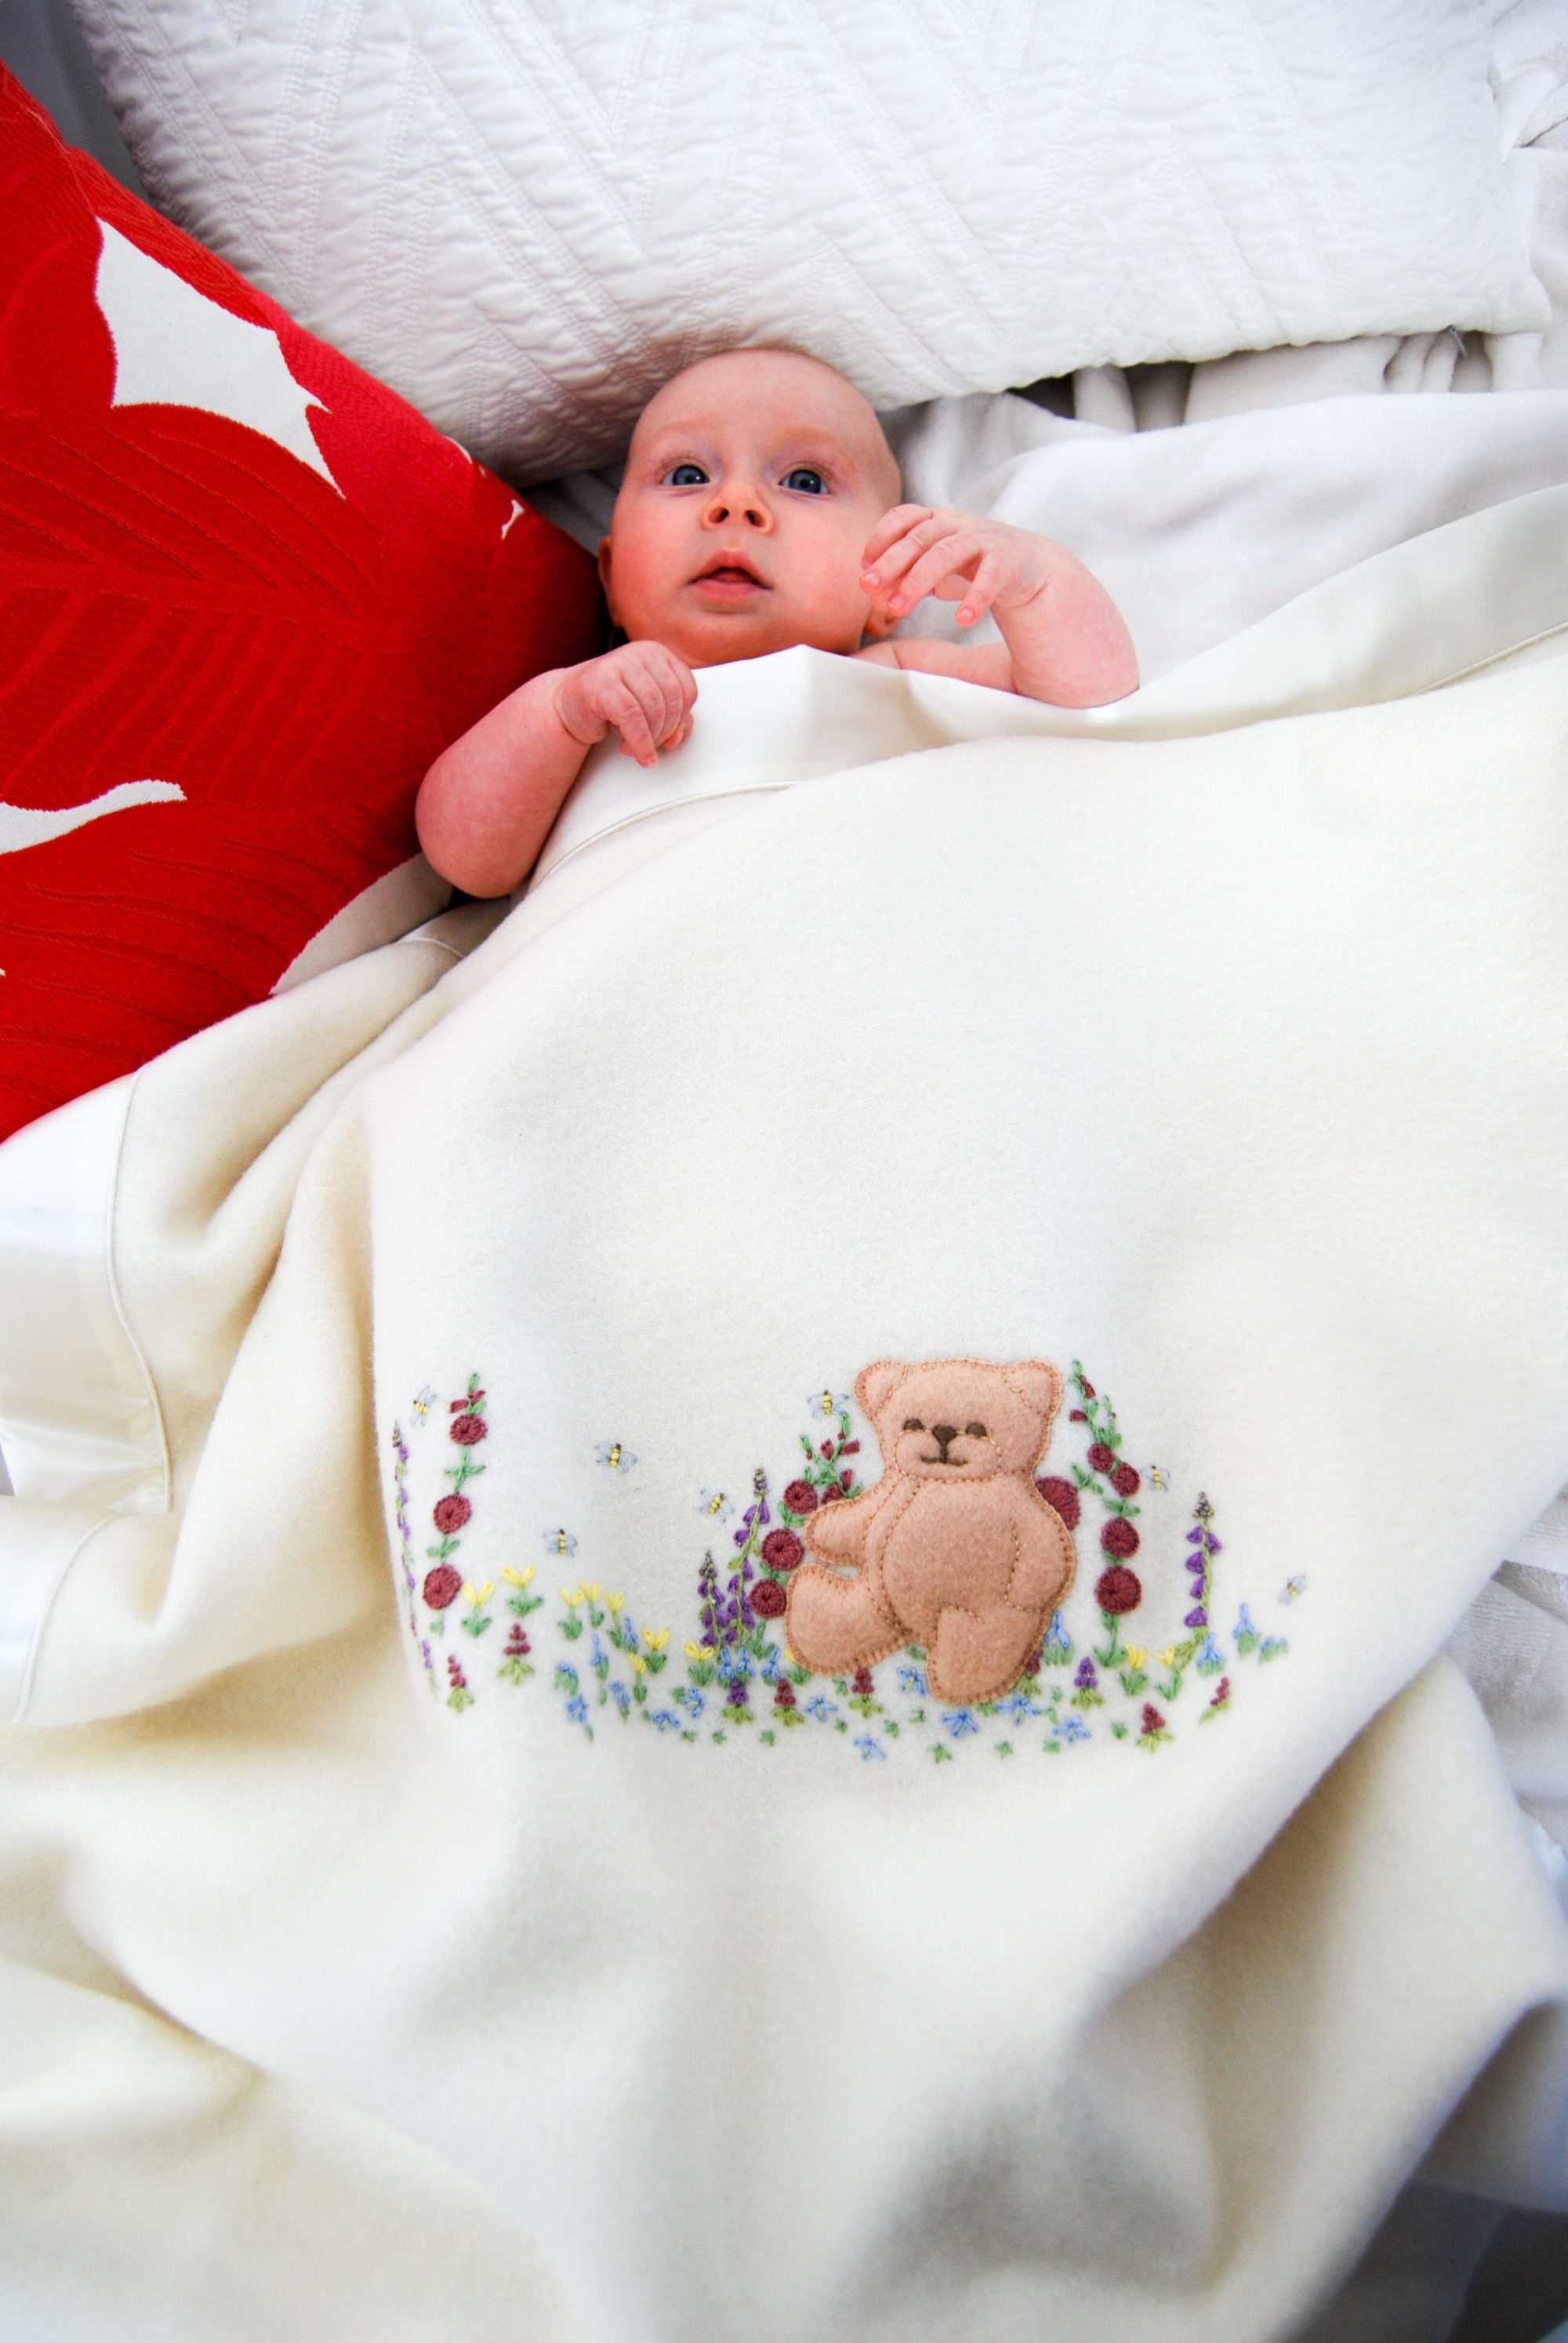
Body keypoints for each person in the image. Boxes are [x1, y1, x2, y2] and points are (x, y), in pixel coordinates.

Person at [416, 347, 1138, 896]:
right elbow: (465, 861)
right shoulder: (584, 715)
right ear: (610, 576)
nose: (735, 505)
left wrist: (1035, 581)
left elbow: (1090, 708)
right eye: (687, 475)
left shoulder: (893, 676)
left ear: (889, 592)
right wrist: (561, 712)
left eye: (804, 481)